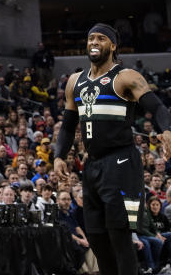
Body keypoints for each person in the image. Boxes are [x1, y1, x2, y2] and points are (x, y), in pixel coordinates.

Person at [54, 23, 171, 275]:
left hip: (121, 163)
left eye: (101, 38)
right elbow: (66, 126)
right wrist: (58, 156)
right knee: (97, 237)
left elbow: (158, 107)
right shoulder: (75, 81)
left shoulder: (125, 77)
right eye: (90, 38)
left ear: (113, 45)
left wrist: (167, 130)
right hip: (92, 165)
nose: (94, 42)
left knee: (119, 236)